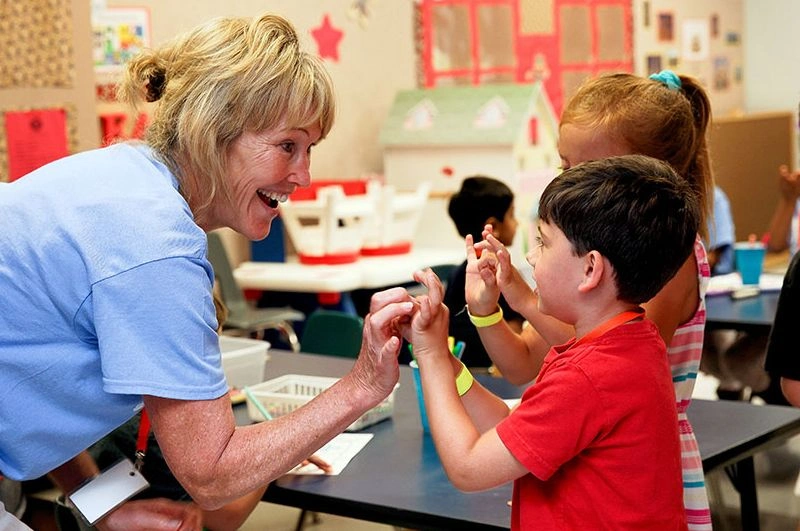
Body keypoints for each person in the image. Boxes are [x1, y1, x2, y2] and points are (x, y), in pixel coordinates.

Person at [0, 13, 414, 530]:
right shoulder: (155, 244)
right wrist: (364, 385)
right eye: (287, 146)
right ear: (212, 130)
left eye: (310, 150)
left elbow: (33, 382)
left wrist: (102, 503)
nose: (304, 175)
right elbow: (212, 475)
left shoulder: (118, 176)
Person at [464, 71, 715, 530]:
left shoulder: (668, 259)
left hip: (631, 476)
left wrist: (528, 302)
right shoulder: (577, 275)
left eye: (590, 170)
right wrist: (489, 312)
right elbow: (522, 365)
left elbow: (603, 357)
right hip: (579, 462)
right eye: (566, 167)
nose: (572, 185)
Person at [398, 155, 699, 529]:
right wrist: (445, 360)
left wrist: (428, 355)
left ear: (590, 269)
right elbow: (515, 428)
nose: (529, 254)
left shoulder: (588, 376)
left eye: (543, 242)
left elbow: (468, 467)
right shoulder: (631, 341)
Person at [443, 176, 525, 368]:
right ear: (493, 226)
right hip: (493, 373)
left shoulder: (460, 272)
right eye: (512, 215)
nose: (517, 223)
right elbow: (515, 339)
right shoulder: (497, 274)